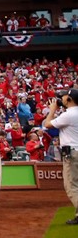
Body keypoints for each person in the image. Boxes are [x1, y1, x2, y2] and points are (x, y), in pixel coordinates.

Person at [43, 88, 78, 225]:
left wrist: (52, 110)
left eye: (63, 97)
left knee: (71, 185)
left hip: (72, 153)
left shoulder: (68, 115)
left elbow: (47, 124)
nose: (61, 99)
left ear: (69, 100)